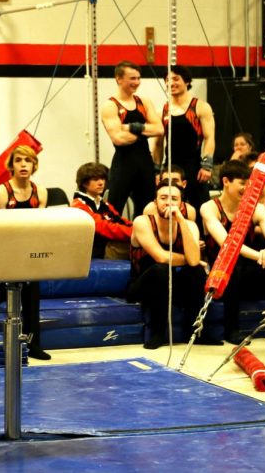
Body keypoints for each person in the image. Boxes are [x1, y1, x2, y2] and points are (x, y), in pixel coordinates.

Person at [200, 160, 265, 343]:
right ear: (226, 181)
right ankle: (232, 329)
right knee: (234, 266)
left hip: (249, 273)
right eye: (242, 184)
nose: (246, 189)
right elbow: (229, 244)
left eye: (249, 185)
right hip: (220, 273)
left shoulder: (257, 209)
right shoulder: (209, 208)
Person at [128, 180, 214, 349]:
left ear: (181, 203)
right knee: (161, 270)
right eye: (163, 198)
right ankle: (158, 333)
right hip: (143, 286)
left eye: (174, 198)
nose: (168, 202)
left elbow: (194, 262)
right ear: (155, 202)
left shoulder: (189, 225)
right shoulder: (142, 222)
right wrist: (189, 258)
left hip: (171, 287)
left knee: (196, 271)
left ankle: (196, 332)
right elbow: (160, 257)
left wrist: (181, 221)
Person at [0, 145, 50, 360]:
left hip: (30, 250)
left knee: (33, 299)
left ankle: (34, 345)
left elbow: (40, 226)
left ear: (34, 165)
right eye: (19, 160)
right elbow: (1, 230)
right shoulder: (1, 192)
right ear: (11, 165)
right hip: (7, 251)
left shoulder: (40, 192)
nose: (23, 164)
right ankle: (8, 345)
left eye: (28, 160)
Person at [101, 61, 163, 217]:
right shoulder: (110, 106)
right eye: (132, 78)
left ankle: (141, 241)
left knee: (147, 210)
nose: (136, 82)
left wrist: (129, 127)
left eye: (138, 78)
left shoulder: (144, 102)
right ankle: (109, 242)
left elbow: (160, 129)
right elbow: (119, 139)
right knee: (113, 210)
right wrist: (145, 129)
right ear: (119, 79)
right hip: (123, 164)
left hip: (145, 163)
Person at [153, 64, 216, 218]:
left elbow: (209, 138)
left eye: (175, 79)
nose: (171, 83)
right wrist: (156, 170)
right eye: (167, 80)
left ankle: (202, 239)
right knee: (170, 206)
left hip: (194, 166)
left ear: (187, 81)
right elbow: (158, 144)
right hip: (171, 166)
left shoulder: (200, 107)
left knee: (201, 207)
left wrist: (207, 165)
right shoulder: (163, 110)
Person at [70, 162, 132, 260]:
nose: (101, 183)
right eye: (96, 179)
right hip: (97, 252)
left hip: (111, 245)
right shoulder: (78, 206)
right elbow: (103, 227)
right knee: (145, 247)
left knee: (147, 241)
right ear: (84, 183)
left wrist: (140, 228)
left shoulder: (103, 203)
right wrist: (135, 233)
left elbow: (120, 221)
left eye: (103, 179)